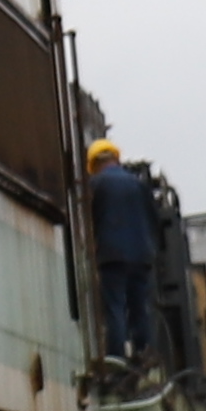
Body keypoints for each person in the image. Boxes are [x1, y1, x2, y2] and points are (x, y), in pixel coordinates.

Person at [84, 144, 164, 365]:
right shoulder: (139, 185)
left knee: (115, 308)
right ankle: (144, 355)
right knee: (140, 309)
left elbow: (88, 222)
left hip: (112, 255)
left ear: (94, 165)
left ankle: (116, 360)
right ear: (116, 159)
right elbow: (154, 220)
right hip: (141, 256)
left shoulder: (95, 185)